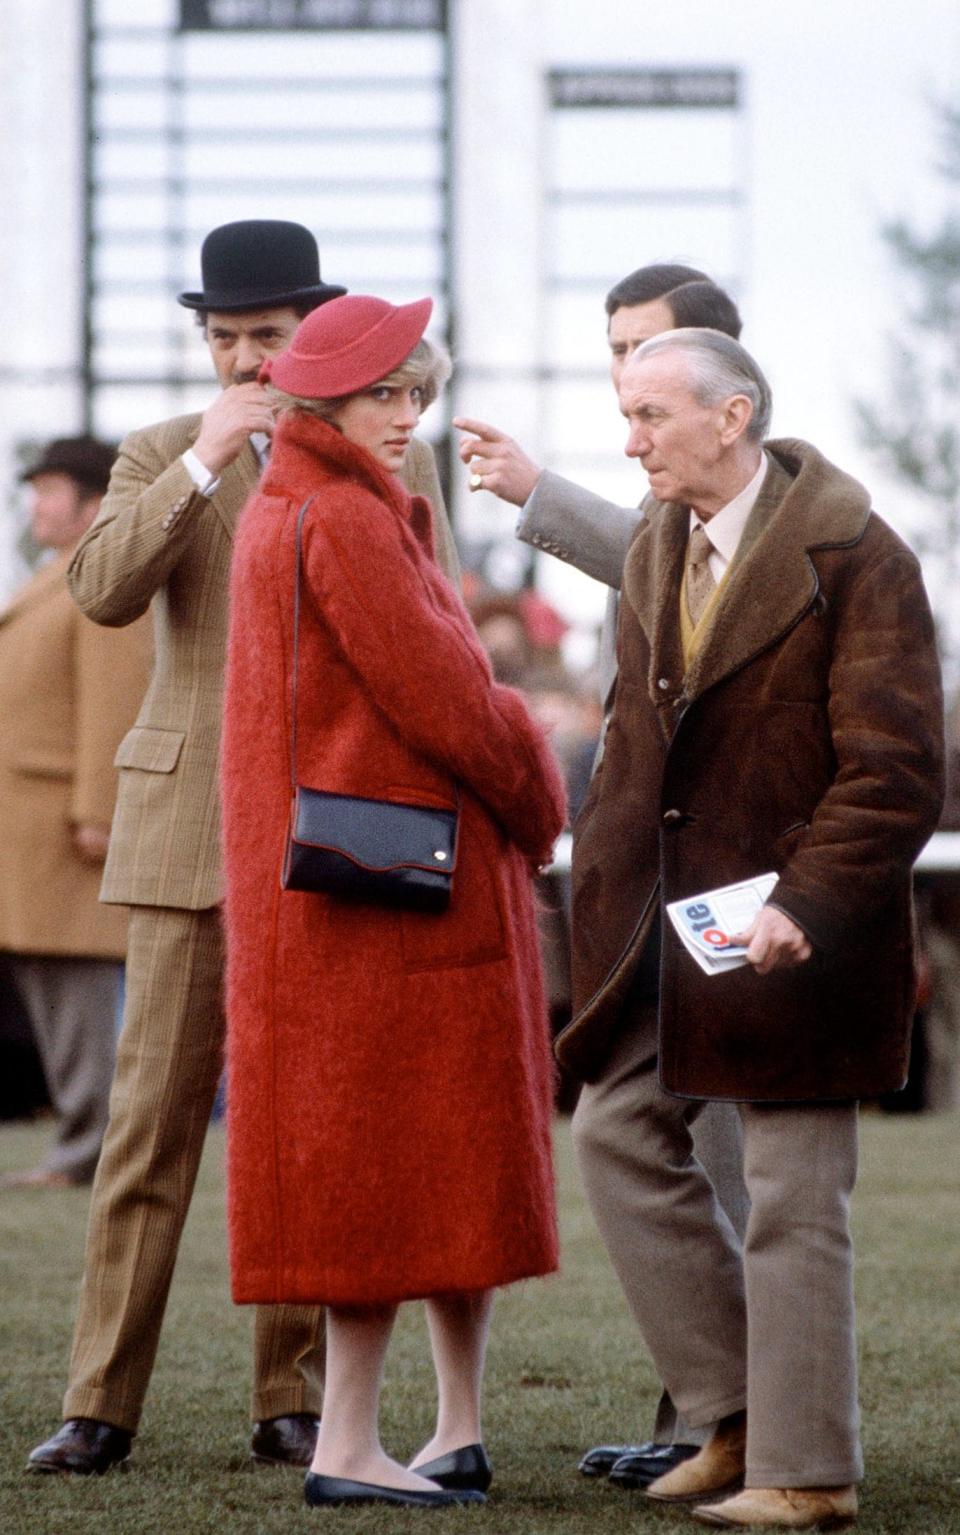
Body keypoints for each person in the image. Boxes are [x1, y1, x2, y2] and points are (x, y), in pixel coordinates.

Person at [27, 221, 460, 1477]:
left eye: (263, 339)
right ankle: (99, 1402)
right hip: (183, 831)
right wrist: (208, 463)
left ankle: (293, 1398)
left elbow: (420, 631)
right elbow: (102, 590)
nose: (238, 361)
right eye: (220, 339)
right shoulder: (165, 448)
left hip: (331, 834)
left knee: (306, 1126)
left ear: (314, 336)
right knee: (145, 1129)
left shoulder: (396, 449)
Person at [561, 328, 944, 1529]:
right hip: (666, 934)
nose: (631, 443)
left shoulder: (861, 554)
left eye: (651, 417)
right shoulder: (652, 543)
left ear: (732, 418)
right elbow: (634, 754)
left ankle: (810, 1470)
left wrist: (806, 902)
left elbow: (894, 770)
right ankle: (737, 1412)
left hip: (805, 936)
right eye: (625, 417)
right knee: (615, 1134)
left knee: (791, 1198)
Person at [221, 293, 566, 1511]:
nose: (406, 412)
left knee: (434, 1165)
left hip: (361, 889)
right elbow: (449, 702)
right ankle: (350, 1444)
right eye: (383, 393)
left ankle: (456, 1426)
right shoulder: (342, 518)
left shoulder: (305, 505)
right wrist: (537, 785)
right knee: (383, 1173)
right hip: (394, 894)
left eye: (415, 390)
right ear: (320, 401)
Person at [456, 264, 749, 1488]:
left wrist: (539, 494)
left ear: (724, 374)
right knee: (665, 1142)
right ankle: (707, 1416)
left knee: (709, 1151)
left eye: (649, 347)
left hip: (728, 876)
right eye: (615, 345)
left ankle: (730, 1421)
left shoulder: (754, 484)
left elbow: (681, 575)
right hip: (661, 876)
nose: (626, 369)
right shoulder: (677, 475)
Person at [0, 437, 151, 1187]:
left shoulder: (98, 576)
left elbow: (113, 700)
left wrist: (101, 809)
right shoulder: (54, 575)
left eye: (50, 490)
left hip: (67, 820)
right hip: (34, 821)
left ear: (94, 501)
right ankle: (78, 1139)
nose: (36, 505)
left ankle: (89, 1145)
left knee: (78, 984)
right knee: (53, 982)